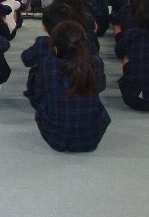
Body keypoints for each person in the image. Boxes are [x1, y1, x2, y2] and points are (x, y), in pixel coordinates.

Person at [34, 21, 110, 152]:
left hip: (55, 137)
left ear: (55, 44)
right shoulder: (95, 62)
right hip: (91, 138)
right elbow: (101, 86)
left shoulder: (48, 64)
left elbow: (40, 88)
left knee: (44, 100)